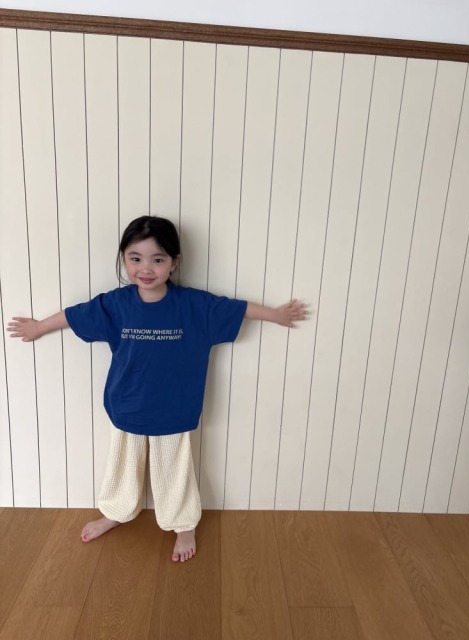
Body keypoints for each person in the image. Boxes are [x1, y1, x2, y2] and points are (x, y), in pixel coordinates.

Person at [8, 215, 306, 563]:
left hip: (173, 410)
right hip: (126, 406)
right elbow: (75, 315)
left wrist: (276, 315)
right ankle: (116, 512)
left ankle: (183, 525)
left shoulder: (193, 305)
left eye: (158, 259)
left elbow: (237, 309)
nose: (145, 269)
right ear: (123, 258)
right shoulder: (116, 305)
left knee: (174, 471)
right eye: (135, 258)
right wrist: (39, 327)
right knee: (123, 465)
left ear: (174, 262)